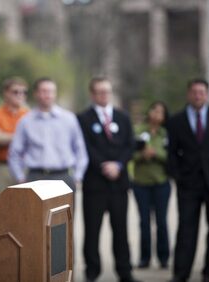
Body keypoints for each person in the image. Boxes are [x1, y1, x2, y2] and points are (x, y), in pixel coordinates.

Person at [78, 77, 138, 282]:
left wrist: (118, 165)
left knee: (121, 230)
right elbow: (84, 147)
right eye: (100, 92)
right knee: (92, 230)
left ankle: (125, 272)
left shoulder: (123, 117)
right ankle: (92, 271)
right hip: (95, 183)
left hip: (119, 184)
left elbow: (130, 145)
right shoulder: (83, 119)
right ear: (92, 94)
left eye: (107, 92)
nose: (104, 95)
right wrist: (103, 165)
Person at [167, 78, 209, 282]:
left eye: (201, 92)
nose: (198, 95)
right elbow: (171, 153)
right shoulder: (176, 121)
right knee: (186, 230)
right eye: (194, 92)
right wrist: (178, 176)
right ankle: (180, 274)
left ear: (207, 95)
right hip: (188, 185)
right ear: (188, 94)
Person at [8, 77, 88, 193]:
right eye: (44, 91)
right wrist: (20, 178)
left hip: (63, 177)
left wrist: (77, 176)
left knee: (63, 212)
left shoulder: (69, 119)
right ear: (36, 94)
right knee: (34, 212)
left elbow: (80, 150)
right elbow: (14, 153)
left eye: (51, 91)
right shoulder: (25, 121)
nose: (48, 95)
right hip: (35, 177)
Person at [132, 101, 171, 269]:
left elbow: (172, 156)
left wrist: (156, 154)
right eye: (154, 110)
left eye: (160, 112)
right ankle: (145, 257)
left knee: (161, 221)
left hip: (161, 182)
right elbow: (130, 153)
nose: (156, 114)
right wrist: (142, 155)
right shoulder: (138, 131)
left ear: (164, 117)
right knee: (144, 222)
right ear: (149, 112)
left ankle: (163, 257)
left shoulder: (166, 133)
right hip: (141, 183)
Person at [0, 77, 29, 195]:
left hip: (25, 167)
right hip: (2, 167)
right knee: (2, 208)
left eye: (24, 92)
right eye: (15, 92)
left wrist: (5, 136)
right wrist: (22, 137)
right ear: (6, 93)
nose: (20, 95)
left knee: (28, 210)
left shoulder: (29, 115)